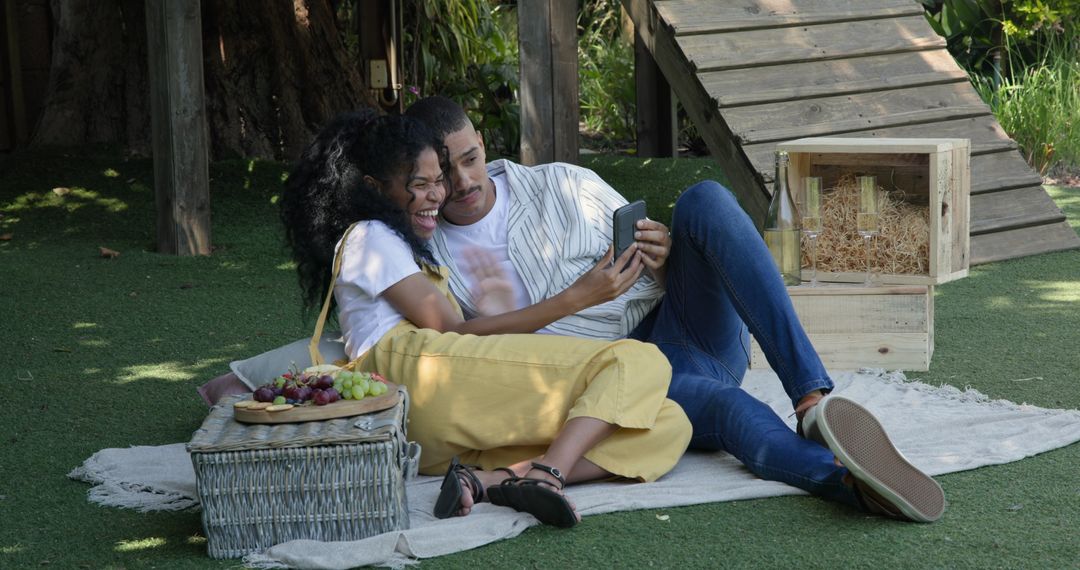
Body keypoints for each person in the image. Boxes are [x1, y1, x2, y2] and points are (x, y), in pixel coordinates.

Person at [403, 95, 945, 523]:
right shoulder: (431, 254)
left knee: (705, 200)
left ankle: (812, 401)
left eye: (471, 158)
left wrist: (663, 259)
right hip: (617, 385)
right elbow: (472, 352)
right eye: (445, 172)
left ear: (481, 141)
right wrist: (574, 301)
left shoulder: (559, 182)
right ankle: (848, 480)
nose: (465, 181)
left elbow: (648, 259)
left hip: (683, 328)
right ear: (422, 173)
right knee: (730, 409)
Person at [273, 109, 692, 528]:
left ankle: (491, 480)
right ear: (375, 188)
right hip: (415, 375)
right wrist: (575, 298)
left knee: (667, 424)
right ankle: (548, 477)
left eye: (438, 181)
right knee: (637, 360)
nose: (438, 195)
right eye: (419, 185)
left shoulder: (405, 240)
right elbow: (451, 332)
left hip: (441, 429)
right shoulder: (370, 236)